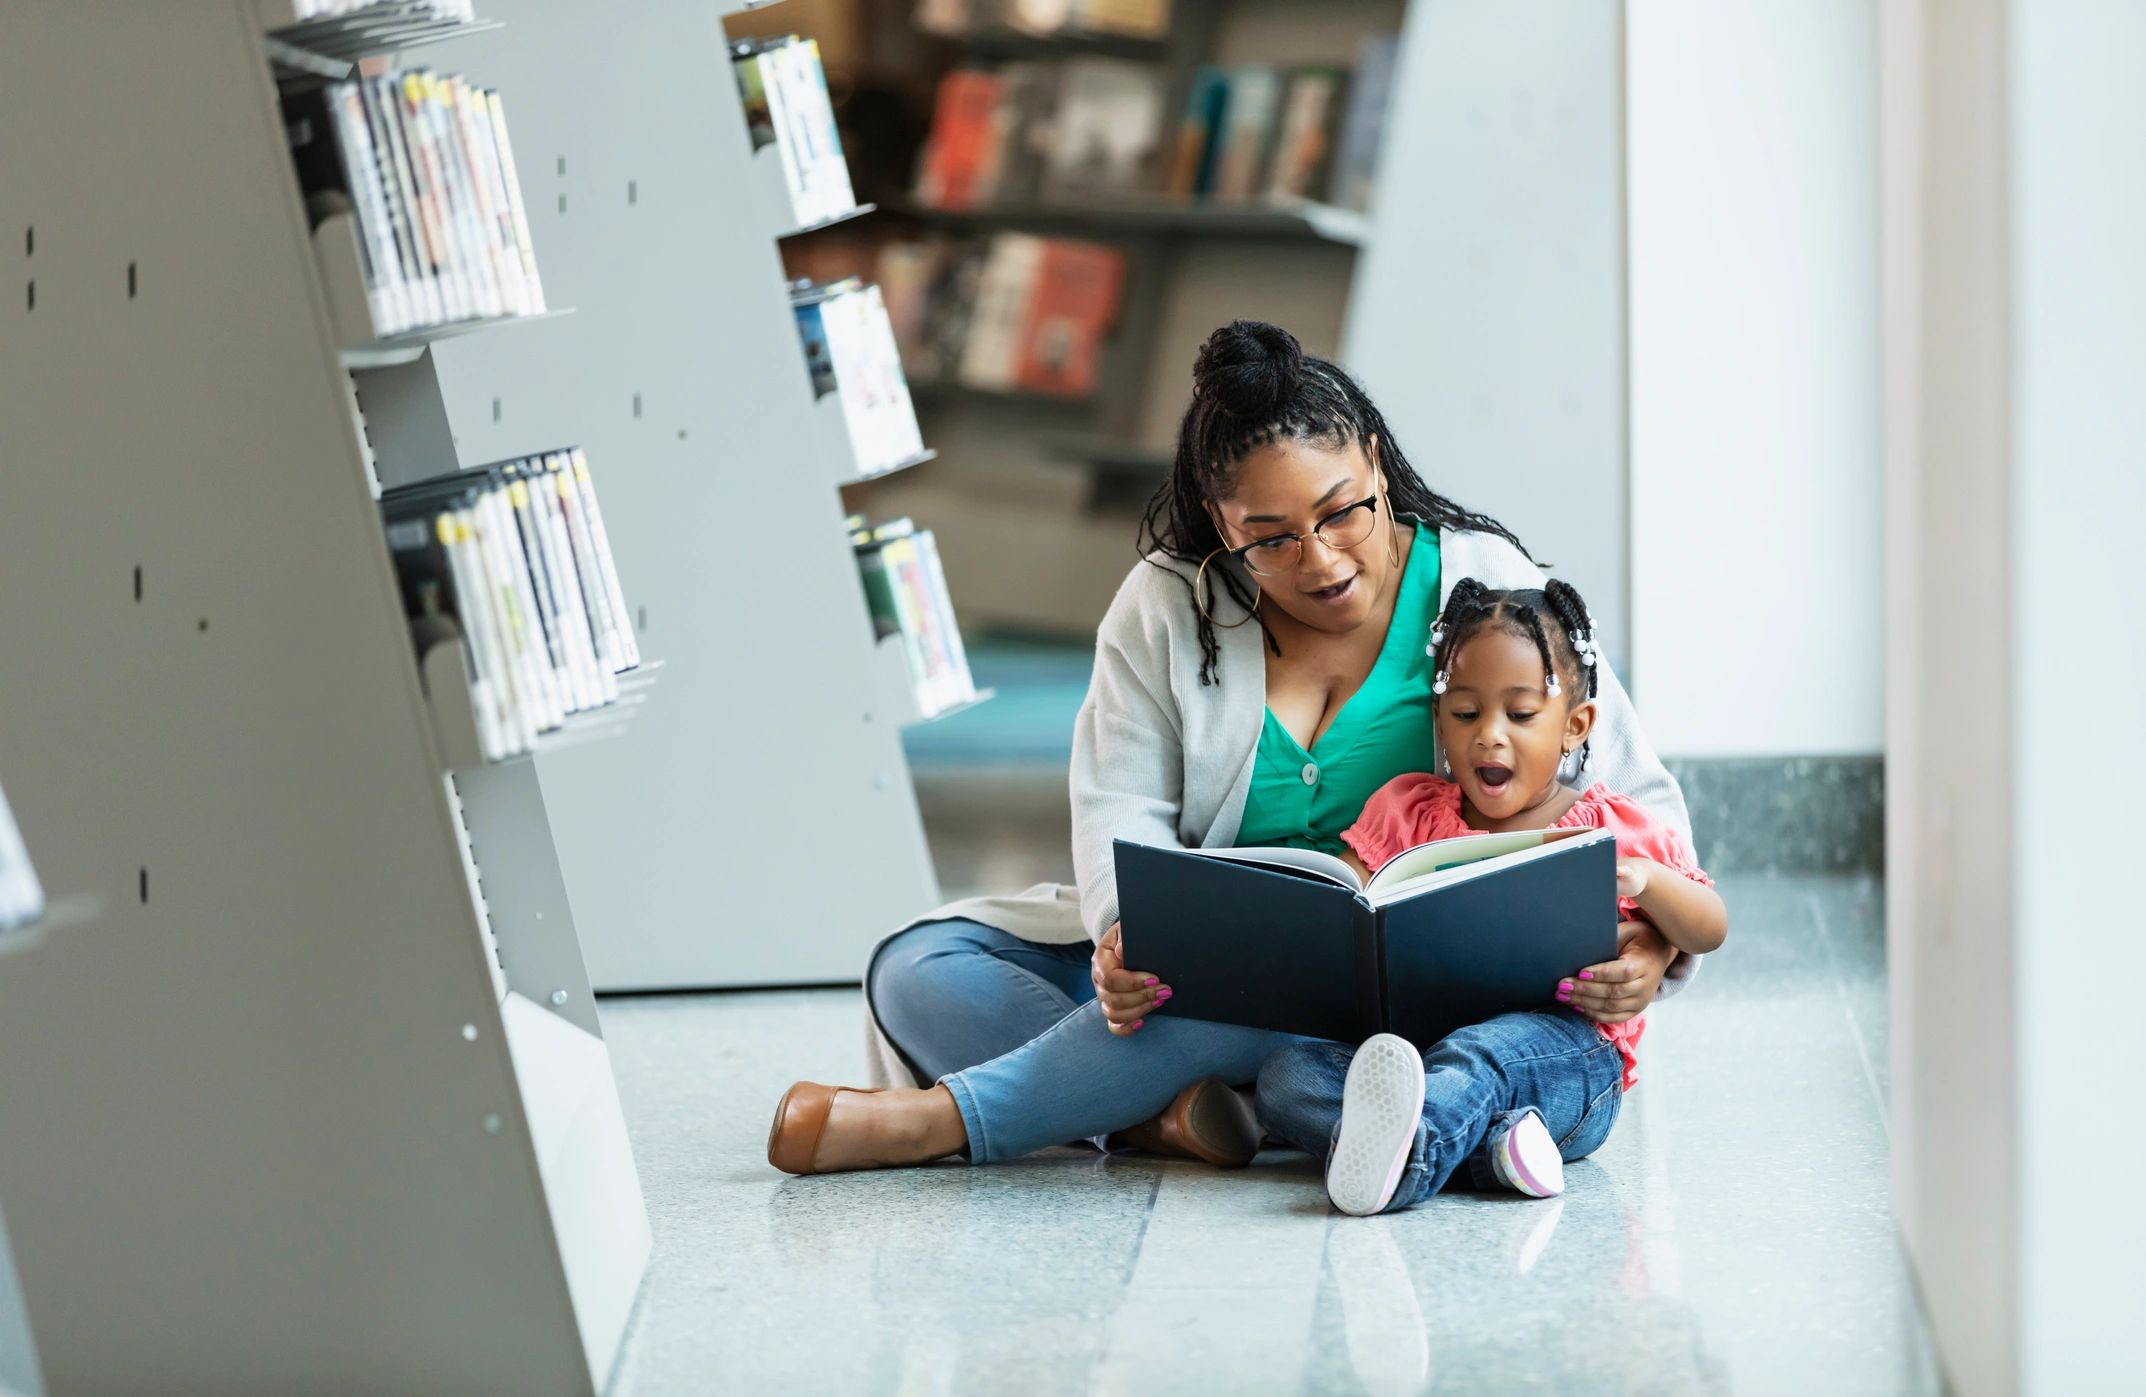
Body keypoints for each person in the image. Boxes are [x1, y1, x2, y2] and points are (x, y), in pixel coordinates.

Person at [766, 321, 1698, 1176]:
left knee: (1231, 1011)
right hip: (1215, 965)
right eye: (1273, 539)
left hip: (1421, 987)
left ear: (1376, 461)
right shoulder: (1166, 607)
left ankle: (945, 1120)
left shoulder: (1483, 583)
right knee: (921, 969)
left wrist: (1651, 942)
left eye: (1344, 513)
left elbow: (1640, 805)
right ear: (1221, 525)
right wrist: (1127, 935)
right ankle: (1165, 1114)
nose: (1323, 560)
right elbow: (1118, 805)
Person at [1259, 575, 1727, 1216]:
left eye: (1522, 714)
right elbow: (1342, 897)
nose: (1490, 735)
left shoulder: (1609, 828)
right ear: (1439, 722)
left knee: (1484, 1055)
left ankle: (1410, 1158)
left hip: (1562, 1060)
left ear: (1575, 725)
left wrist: (1648, 882)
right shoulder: (1411, 812)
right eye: (1466, 713)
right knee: (1287, 1075)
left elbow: (1710, 927)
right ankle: (1494, 1154)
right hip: (1422, 1051)